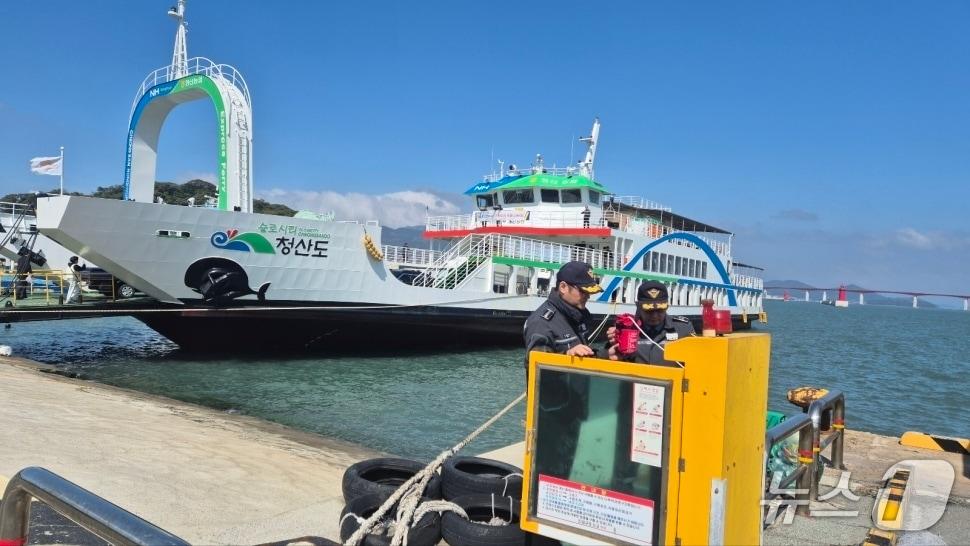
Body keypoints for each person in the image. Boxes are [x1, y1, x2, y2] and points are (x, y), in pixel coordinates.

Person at [523, 261, 604, 365]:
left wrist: (608, 353)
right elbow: (537, 365)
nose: (588, 296)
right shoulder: (541, 323)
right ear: (563, 287)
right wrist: (567, 355)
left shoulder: (576, 316)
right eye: (583, 291)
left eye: (589, 292)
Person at [606, 281, 695, 367]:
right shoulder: (626, 329)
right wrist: (608, 355)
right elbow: (606, 356)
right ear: (638, 306)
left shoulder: (683, 329)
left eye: (660, 310)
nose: (655, 315)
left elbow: (696, 360)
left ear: (667, 306)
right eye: (649, 310)